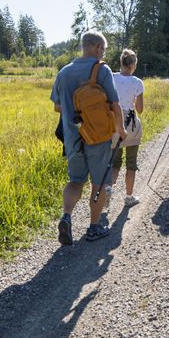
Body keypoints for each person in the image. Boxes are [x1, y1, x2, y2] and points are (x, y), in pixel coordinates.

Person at [51, 30, 128, 244]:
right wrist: (120, 129)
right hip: (98, 137)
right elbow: (114, 103)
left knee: (75, 180)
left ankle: (66, 216)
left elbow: (57, 106)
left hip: (72, 138)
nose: (103, 54)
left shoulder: (64, 72)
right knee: (99, 183)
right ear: (97, 47)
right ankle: (94, 227)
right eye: (103, 49)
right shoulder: (101, 70)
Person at [108, 48, 144, 207]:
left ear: (121, 63)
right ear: (133, 64)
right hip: (131, 125)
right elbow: (140, 109)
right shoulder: (137, 82)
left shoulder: (112, 78)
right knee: (131, 163)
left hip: (114, 123)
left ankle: (108, 189)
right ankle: (129, 197)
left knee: (115, 162)